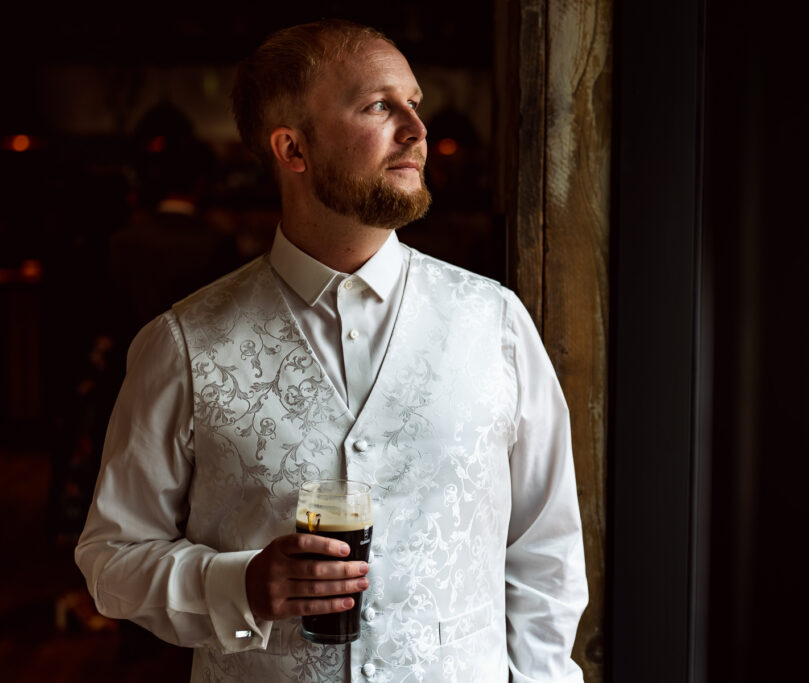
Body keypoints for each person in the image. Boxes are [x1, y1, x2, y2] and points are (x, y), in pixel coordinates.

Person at [75, 18, 588, 683]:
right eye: (380, 105)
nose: (416, 129)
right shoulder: (182, 344)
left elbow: (546, 554)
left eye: (415, 104)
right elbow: (112, 560)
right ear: (293, 148)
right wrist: (241, 585)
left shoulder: (497, 324)